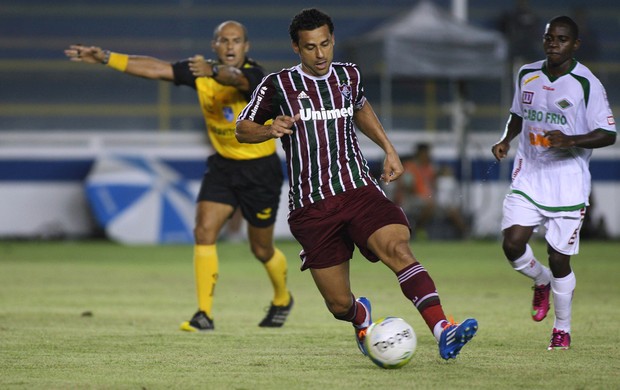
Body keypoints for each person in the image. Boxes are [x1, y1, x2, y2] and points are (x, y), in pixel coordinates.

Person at [236, 8, 478, 360]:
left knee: (398, 249)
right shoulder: (277, 85)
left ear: (333, 40)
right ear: (295, 48)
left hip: (357, 188)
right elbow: (242, 129)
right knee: (337, 303)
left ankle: (443, 329)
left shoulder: (348, 75)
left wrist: (389, 149)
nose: (320, 55)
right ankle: (360, 315)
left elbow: (361, 108)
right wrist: (268, 129)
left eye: (325, 44)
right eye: (310, 47)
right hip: (312, 205)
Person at [64, 20, 293, 331]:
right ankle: (204, 315)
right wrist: (106, 57)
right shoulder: (199, 72)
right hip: (223, 166)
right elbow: (156, 68)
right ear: (215, 45)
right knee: (203, 232)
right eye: (223, 40)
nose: (229, 46)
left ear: (246, 47)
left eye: (236, 41)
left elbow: (237, 79)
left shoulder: (257, 76)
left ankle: (282, 298)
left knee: (261, 249)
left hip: (260, 170)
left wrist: (211, 71)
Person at [491, 16, 616, 350]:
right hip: (530, 172)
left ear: (575, 45)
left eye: (561, 39)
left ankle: (562, 329)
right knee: (512, 243)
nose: (553, 44)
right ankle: (540, 279)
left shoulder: (586, 83)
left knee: (559, 258)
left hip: (568, 181)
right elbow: (517, 114)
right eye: (549, 38)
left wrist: (570, 139)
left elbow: (608, 134)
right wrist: (506, 139)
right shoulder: (526, 73)